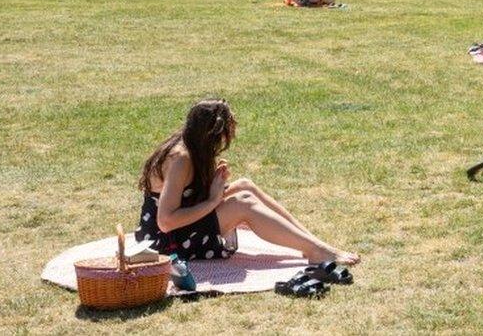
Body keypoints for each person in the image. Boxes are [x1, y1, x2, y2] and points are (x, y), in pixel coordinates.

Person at [135, 99, 360, 265]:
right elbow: (165, 221)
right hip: (166, 242)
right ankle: (316, 250)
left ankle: (312, 244)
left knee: (245, 185)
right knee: (243, 203)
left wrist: (212, 187)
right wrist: (213, 200)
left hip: (182, 230)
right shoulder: (181, 159)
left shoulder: (191, 144)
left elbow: (186, 197)